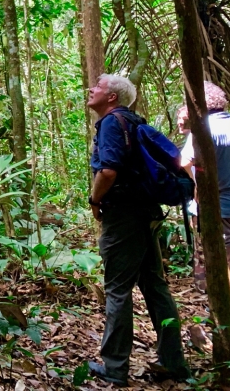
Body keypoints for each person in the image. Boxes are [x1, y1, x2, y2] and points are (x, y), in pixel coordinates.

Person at [87, 73, 189, 386]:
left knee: (118, 288)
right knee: (155, 286)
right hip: (146, 213)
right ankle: (174, 362)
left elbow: (109, 170)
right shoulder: (133, 121)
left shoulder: (111, 123)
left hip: (125, 216)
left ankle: (115, 367)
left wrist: (94, 199)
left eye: (99, 87)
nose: (92, 89)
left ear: (112, 97)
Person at [179, 81, 230, 266]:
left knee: (217, 259)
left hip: (215, 206)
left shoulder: (202, 130)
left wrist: (197, 183)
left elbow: (185, 161)